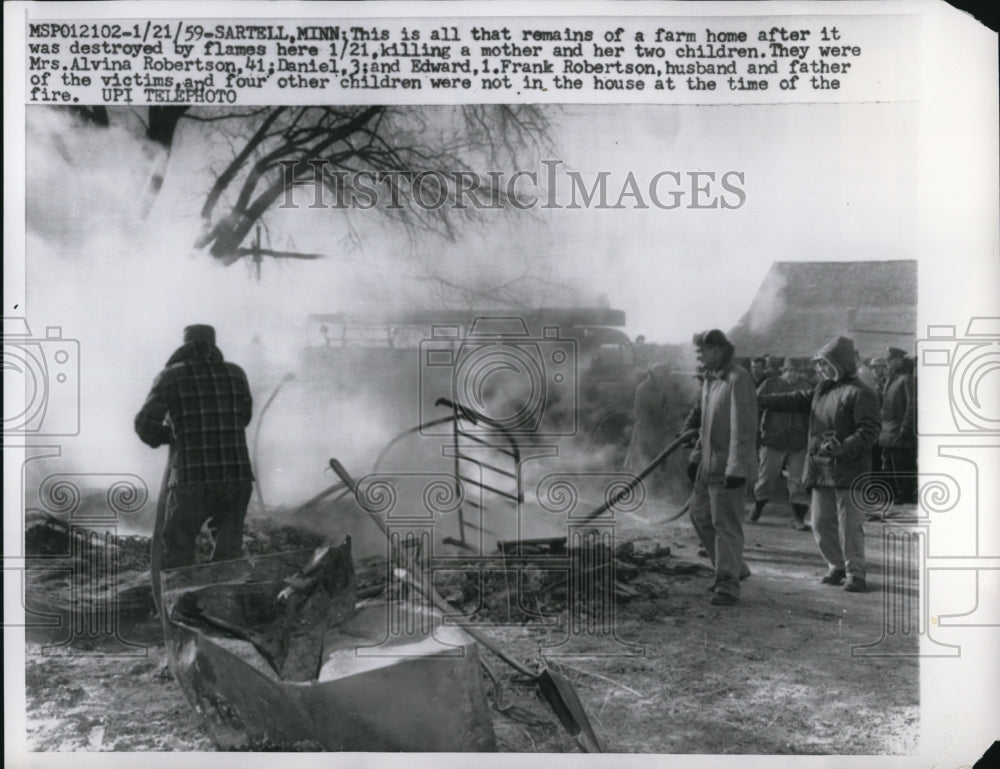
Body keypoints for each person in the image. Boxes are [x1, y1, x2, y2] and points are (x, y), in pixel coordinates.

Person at [757, 336, 880, 592]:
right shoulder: (822, 389)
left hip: (850, 470)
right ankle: (836, 566)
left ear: (840, 363)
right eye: (820, 365)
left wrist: (843, 448)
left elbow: (869, 430)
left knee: (850, 524)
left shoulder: (861, 393)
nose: (821, 369)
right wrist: (761, 399)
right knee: (822, 522)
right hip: (821, 467)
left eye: (825, 364)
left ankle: (856, 573)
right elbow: (794, 399)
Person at [135, 324, 255, 570]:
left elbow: (144, 426)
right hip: (237, 478)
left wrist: (170, 436)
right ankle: (223, 602)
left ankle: (176, 604)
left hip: (192, 479)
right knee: (229, 555)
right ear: (213, 345)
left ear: (185, 347)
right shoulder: (236, 373)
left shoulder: (170, 377)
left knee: (178, 551)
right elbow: (243, 418)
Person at [686, 329, 758, 606]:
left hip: (727, 468)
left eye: (703, 351)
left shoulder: (738, 380)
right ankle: (734, 568)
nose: (699, 356)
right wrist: (696, 457)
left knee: (725, 525)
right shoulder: (711, 380)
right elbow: (706, 426)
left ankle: (727, 585)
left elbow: (744, 428)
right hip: (708, 465)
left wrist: (737, 469)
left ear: (718, 350)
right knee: (699, 515)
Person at [751, 357, 812, 529]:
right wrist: (755, 432)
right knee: (766, 477)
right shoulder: (770, 384)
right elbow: (754, 406)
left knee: (798, 480)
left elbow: (813, 413)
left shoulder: (807, 387)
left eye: (797, 371)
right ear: (783, 370)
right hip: (773, 438)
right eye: (789, 370)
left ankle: (798, 518)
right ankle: (758, 507)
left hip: (798, 441)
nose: (793, 374)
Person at [624, 362, 674, 496]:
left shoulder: (662, 388)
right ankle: (645, 490)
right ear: (655, 375)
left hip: (659, 430)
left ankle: (658, 490)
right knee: (645, 459)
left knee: (659, 459)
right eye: (663, 375)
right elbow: (641, 414)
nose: (666, 377)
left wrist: (669, 422)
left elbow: (668, 408)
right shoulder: (643, 389)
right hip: (645, 430)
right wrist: (649, 434)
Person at [879, 347, 917, 505]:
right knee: (889, 466)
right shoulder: (891, 380)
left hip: (899, 432)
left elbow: (911, 406)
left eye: (890, 359)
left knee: (901, 465)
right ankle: (896, 493)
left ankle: (905, 494)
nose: (887, 362)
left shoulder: (907, 379)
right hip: (888, 432)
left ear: (899, 360)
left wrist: (906, 427)